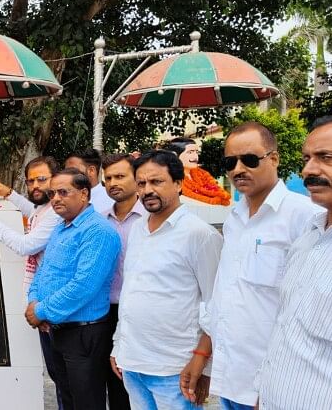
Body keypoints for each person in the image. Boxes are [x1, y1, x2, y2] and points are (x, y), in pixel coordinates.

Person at [179, 122, 320, 410]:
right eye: (231, 162)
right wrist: (202, 358)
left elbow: (306, 314)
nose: (238, 169)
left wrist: (274, 385)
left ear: (275, 159)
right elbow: (223, 297)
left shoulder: (306, 218)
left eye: (250, 160)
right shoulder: (234, 219)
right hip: (231, 379)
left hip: (275, 387)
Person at [111, 150, 222, 410]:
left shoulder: (199, 234)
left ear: (179, 183)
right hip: (132, 364)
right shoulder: (138, 228)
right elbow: (131, 292)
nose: (147, 190)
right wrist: (118, 346)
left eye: (156, 182)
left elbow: (216, 304)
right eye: (141, 183)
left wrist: (203, 365)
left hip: (175, 370)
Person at [0, 156, 64, 409]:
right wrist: (9, 193)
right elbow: (32, 211)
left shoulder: (56, 212)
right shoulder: (44, 209)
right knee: (58, 376)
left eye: (41, 179)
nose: (35, 185)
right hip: (42, 300)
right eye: (30, 180)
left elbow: (27, 245)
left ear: (56, 179)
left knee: (64, 378)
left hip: (53, 305)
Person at [26, 168, 121, 410]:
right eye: (52, 193)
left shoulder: (98, 231)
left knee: (86, 403)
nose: (55, 198)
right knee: (66, 400)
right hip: (57, 329)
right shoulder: (60, 227)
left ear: (83, 194)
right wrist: (34, 301)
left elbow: (84, 286)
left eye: (63, 192)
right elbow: (43, 270)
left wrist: (41, 311)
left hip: (83, 334)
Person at [256, 116, 332, 409]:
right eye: (307, 158)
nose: (308, 170)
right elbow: (287, 329)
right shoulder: (308, 238)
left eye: (325, 157)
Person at [101, 153, 146, 410]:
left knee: (138, 384)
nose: (113, 183)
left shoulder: (150, 218)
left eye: (120, 176)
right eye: (108, 178)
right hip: (105, 313)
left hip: (139, 313)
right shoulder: (98, 219)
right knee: (113, 383)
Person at [163, 137, 230, 206]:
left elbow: (219, 192)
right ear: (174, 155)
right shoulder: (171, 179)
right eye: (190, 152)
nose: (196, 156)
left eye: (196, 152)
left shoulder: (203, 174)